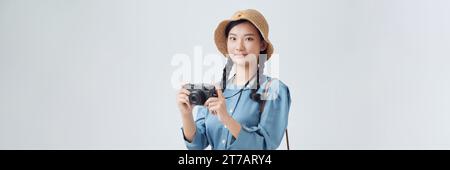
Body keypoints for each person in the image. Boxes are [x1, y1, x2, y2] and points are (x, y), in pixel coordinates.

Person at [177, 9, 291, 150]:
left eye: (248, 38)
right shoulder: (214, 90)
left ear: (262, 44)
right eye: (233, 38)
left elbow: (264, 146)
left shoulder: (274, 89)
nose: (239, 47)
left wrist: (226, 119)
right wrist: (186, 114)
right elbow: (197, 145)